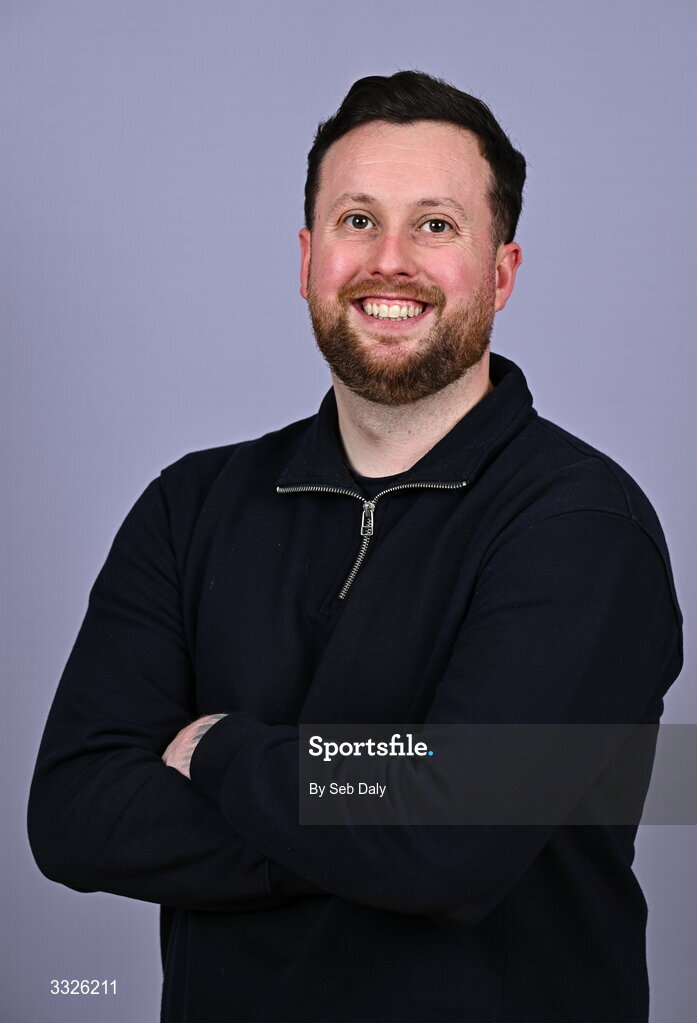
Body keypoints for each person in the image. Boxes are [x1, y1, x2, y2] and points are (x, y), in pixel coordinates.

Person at [27, 70, 683, 1022]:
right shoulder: (190, 505)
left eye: (436, 225)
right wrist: (397, 806)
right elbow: (76, 814)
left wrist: (219, 755)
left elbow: (449, 839)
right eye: (356, 220)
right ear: (306, 258)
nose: (390, 260)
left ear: (500, 271)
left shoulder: (580, 527)